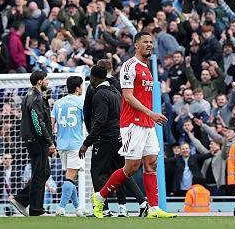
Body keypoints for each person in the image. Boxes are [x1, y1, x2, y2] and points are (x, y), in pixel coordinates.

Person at [90, 31, 176, 218]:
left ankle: (153, 208)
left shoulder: (146, 68)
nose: (149, 45)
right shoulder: (129, 66)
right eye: (145, 42)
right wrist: (151, 113)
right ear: (136, 45)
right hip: (132, 123)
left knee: (151, 163)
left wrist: (150, 115)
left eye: (151, 42)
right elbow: (128, 96)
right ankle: (100, 197)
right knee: (131, 167)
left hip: (147, 123)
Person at [80, 63, 149, 217]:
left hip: (105, 139)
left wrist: (87, 143)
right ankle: (143, 203)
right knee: (123, 172)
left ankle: (103, 209)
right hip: (119, 136)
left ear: (94, 78)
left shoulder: (99, 94)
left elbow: (99, 121)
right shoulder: (116, 92)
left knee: (98, 173)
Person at [11, 70, 54, 216]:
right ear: (40, 81)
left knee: (44, 172)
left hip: (33, 139)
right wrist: (49, 142)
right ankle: (35, 209)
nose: (48, 82)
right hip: (37, 140)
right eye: (46, 79)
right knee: (39, 173)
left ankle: (21, 200)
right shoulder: (36, 99)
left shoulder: (30, 96)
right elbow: (38, 122)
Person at [51, 76, 85, 216]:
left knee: (71, 175)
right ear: (77, 88)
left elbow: (51, 124)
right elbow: (88, 122)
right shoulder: (81, 102)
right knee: (70, 177)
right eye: (82, 86)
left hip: (61, 143)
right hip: (75, 144)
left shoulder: (58, 103)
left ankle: (78, 208)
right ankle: (61, 207)